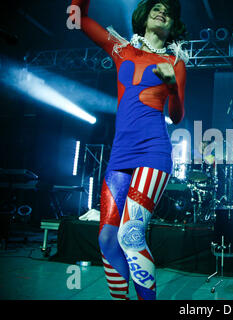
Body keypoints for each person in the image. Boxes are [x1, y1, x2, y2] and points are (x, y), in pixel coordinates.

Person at [70, 0, 188, 300]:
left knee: (130, 235)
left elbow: (177, 116)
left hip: (153, 151)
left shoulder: (175, 63)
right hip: (121, 153)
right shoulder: (122, 49)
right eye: (155, 8)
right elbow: (79, 18)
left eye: (168, 12)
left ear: (172, 25)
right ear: (144, 17)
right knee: (108, 237)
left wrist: (172, 87)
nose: (162, 13)